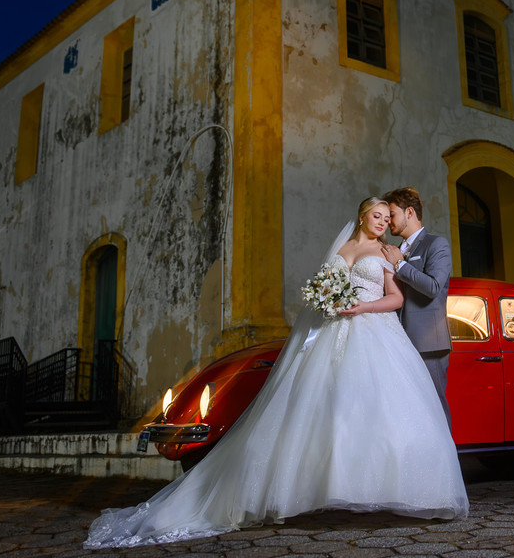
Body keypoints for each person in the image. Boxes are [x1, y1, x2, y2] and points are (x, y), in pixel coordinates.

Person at [83, 197, 467, 549]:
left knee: (365, 408)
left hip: (371, 332)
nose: (383, 222)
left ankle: (377, 489)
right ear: (362, 216)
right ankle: (297, 490)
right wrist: (326, 301)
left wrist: (360, 309)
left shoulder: (388, 251)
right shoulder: (342, 248)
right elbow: (323, 287)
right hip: (330, 333)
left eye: (388, 217)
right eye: (377, 216)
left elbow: (396, 298)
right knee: (314, 409)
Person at [380, 187, 453, 427]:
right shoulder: (394, 250)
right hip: (398, 343)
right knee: (408, 413)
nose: (388, 220)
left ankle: (446, 464)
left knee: (435, 409)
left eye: (392, 214)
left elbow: (432, 287)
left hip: (428, 344)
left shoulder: (436, 245)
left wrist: (400, 266)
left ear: (409, 212)